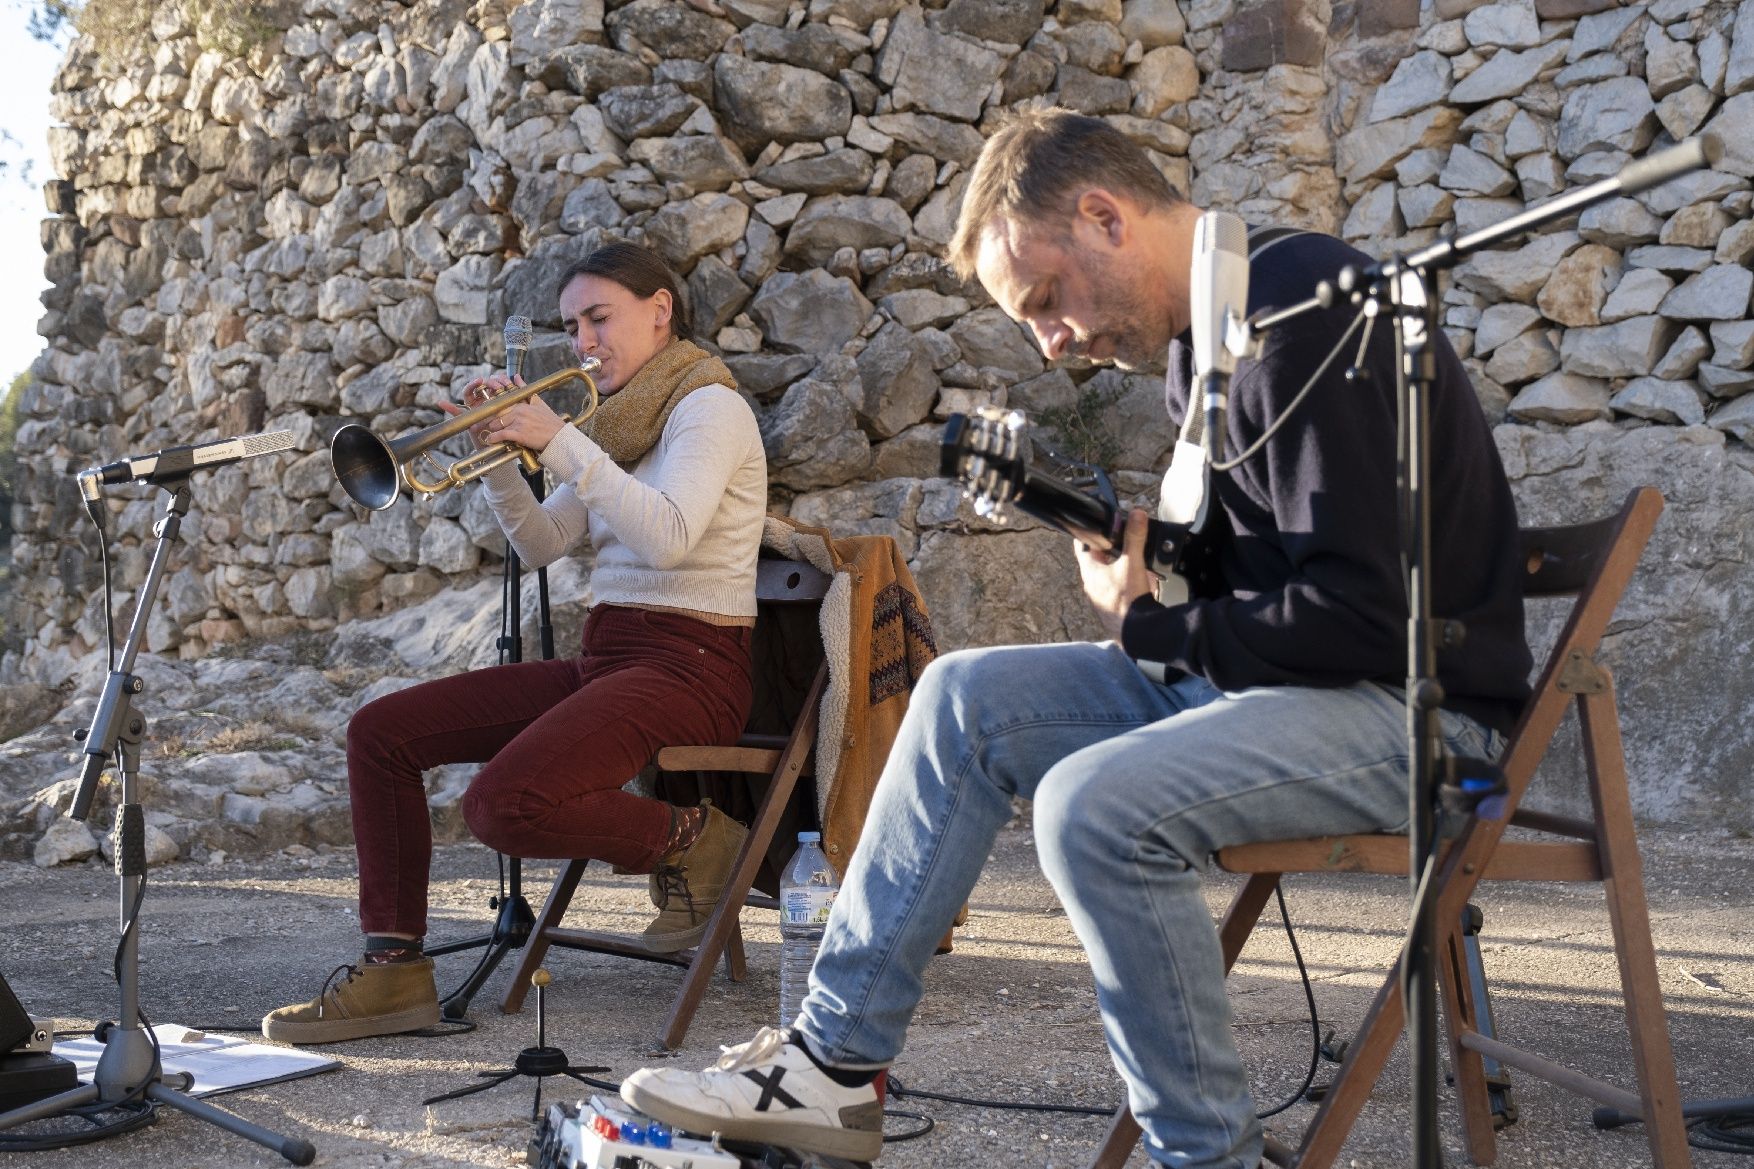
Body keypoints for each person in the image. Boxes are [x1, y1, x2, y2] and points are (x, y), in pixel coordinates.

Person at [617, 109, 1534, 1168]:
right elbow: (1281, 576)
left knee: (1094, 805)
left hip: (1411, 712)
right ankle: (829, 1066)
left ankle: (1206, 1155)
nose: (1051, 340)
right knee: (960, 697)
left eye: (1046, 300)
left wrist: (1147, 623)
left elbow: (1366, 620)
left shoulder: (1303, 315)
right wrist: (1156, 574)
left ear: (1102, 216)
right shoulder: (1209, 345)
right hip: (1293, 692)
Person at [264, 241, 769, 1044]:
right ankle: (394, 970)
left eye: (599, 318)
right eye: (573, 325)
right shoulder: (619, 421)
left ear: (660, 310)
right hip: (611, 657)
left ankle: (694, 837)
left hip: (693, 665)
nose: (584, 342)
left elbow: (670, 537)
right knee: (380, 734)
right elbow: (540, 541)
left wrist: (562, 441)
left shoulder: (712, 409)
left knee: (501, 804)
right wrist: (499, 455)